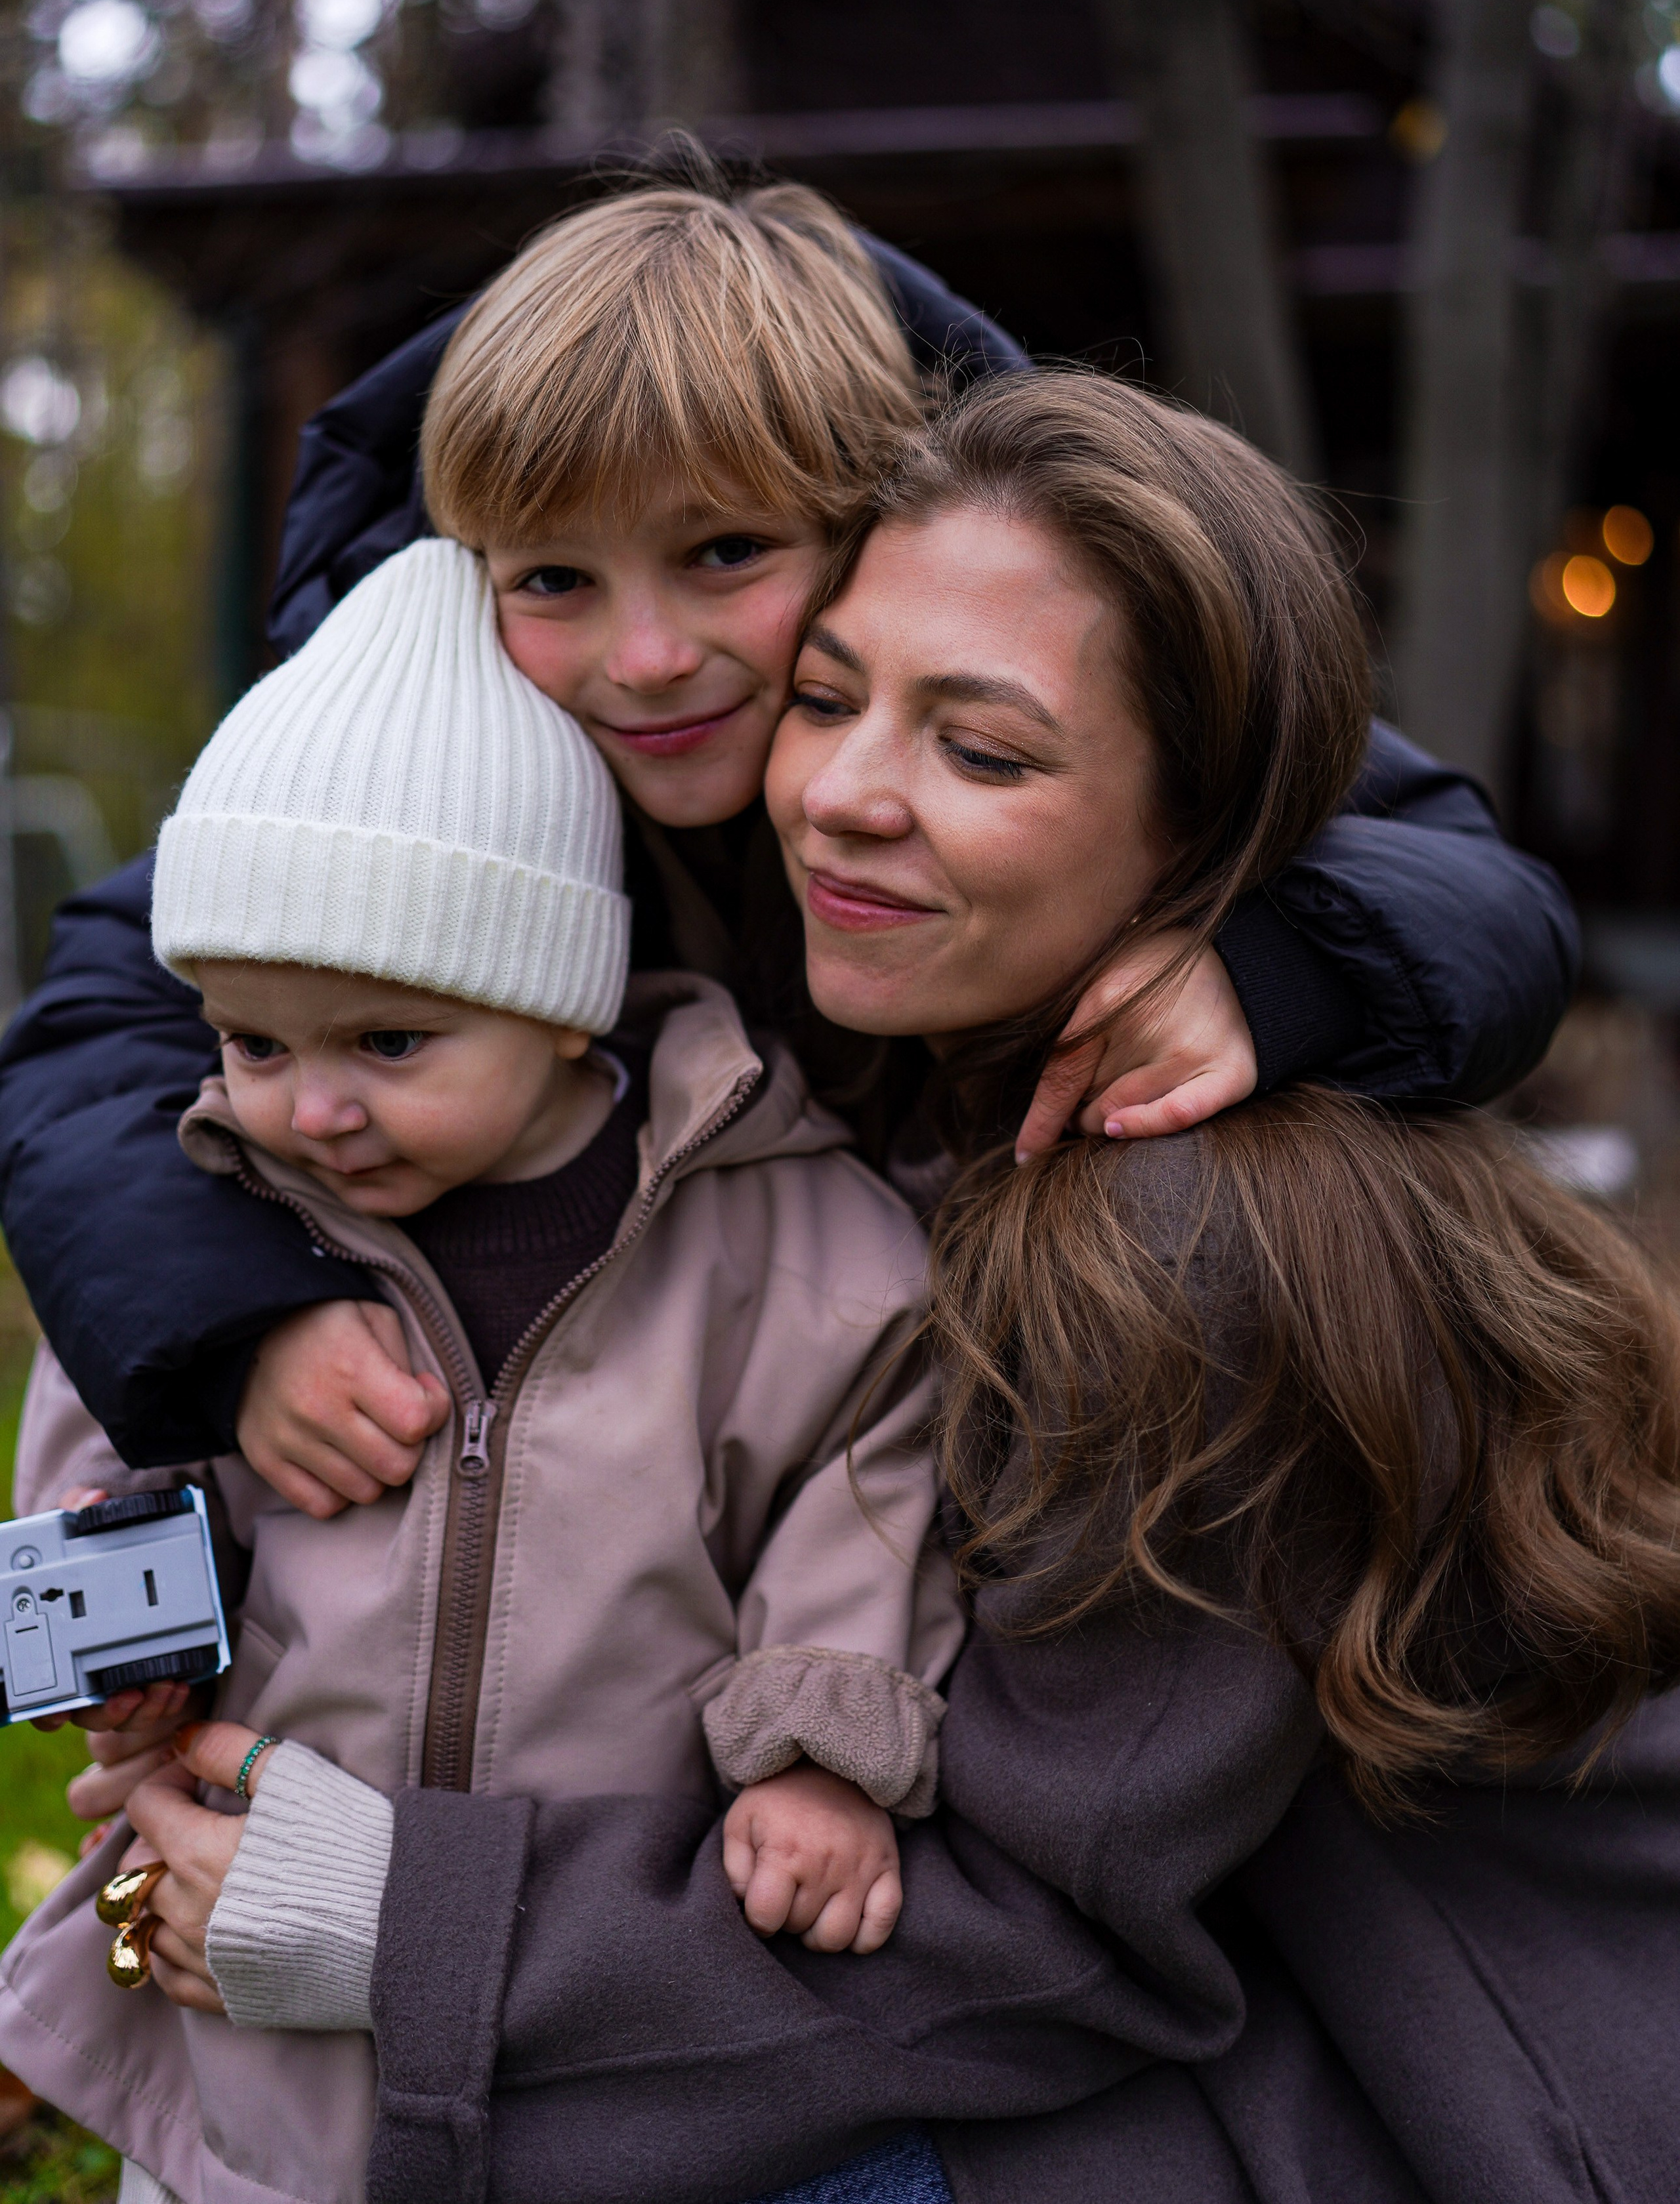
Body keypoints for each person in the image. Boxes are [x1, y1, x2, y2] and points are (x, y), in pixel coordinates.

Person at [54, 369, 1680, 2204]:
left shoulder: (1193, 1228)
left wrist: (392, 1922)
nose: (838, 798)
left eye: (981, 751)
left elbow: (1050, 1940)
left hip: (1447, 2106)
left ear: (1199, 845)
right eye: (827, 699)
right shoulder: (896, 1087)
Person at [0, 171, 1577, 1496]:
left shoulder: (1025, 611)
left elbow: (1466, 883)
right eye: (553, 581)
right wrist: (236, 1314)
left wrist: (1273, 962)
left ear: (872, 517)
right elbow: (100, 1019)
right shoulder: (431, 752)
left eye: (726, 553)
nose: (647, 658)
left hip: (958, 1419)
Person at [0, 535, 959, 2204]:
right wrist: (125, 1643)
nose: (312, 1110)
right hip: (257, 1976)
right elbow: (104, 1440)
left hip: (581, 1943)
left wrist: (819, 1737)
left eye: (389, 1043)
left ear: (564, 1008)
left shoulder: (770, 1248)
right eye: (253, 1040)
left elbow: (866, 1480)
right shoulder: (229, 1223)